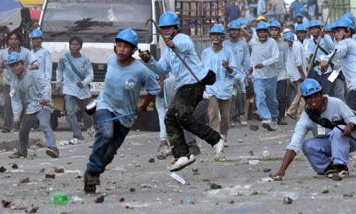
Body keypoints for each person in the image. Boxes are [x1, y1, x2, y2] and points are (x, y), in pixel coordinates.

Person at [140, 12, 224, 172]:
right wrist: (149, 60)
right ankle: (182, 155)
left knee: (182, 117)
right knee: (171, 118)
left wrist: (174, 44)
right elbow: (162, 68)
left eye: (168, 28)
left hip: (194, 83)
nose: (165, 31)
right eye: (163, 28)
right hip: (183, 87)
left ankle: (215, 139)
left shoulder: (181, 39)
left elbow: (186, 45)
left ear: (176, 27)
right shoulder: (168, 50)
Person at [83, 29, 159, 194]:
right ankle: (93, 170)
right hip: (105, 105)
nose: (121, 49)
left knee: (110, 152)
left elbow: (154, 89)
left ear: (133, 50)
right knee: (106, 133)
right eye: (119, 45)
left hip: (126, 115)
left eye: (126, 47)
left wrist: (142, 107)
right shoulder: (111, 60)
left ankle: (91, 174)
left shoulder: (141, 70)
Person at [274, 79, 356, 180]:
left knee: (339, 130)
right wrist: (282, 170)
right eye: (309, 98)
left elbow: (352, 118)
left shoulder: (336, 103)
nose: (313, 101)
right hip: (328, 142)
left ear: (321, 95)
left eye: (315, 96)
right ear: (304, 99)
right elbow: (294, 145)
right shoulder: (305, 118)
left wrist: (349, 127)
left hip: (349, 139)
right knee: (308, 146)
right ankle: (328, 168)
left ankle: (341, 167)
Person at [6, 51, 59, 159]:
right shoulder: (14, 82)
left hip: (43, 104)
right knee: (23, 129)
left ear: (22, 63)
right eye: (12, 66)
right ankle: (22, 151)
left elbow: (46, 86)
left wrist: (45, 98)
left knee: (44, 124)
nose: (15, 68)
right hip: (30, 108)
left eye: (17, 64)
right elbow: (16, 100)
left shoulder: (34, 74)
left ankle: (53, 148)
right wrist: (16, 117)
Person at [200, 24, 241, 144]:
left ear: (223, 38)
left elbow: (234, 72)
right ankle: (217, 139)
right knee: (213, 115)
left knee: (225, 117)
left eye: (219, 35)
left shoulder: (228, 53)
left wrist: (227, 67)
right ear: (210, 37)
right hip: (211, 89)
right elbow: (202, 70)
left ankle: (224, 135)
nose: (216, 37)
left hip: (225, 89)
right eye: (213, 35)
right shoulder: (205, 53)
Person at [56, 36, 93, 144]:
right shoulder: (64, 58)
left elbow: (90, 74)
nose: (74, 46)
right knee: (70, 113)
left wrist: (84, 83)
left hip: (83, 91)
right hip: (69, 90)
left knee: (87, 112)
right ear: (69, 46)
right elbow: (59, 70)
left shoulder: (85, 60)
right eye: (72, 44)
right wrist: (58, 84)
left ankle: (90, 127)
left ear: (80, 47)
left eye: (77, 44)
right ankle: (77, 135)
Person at [0, 31, 32, 133]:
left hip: (22, 83)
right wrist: (0, 69)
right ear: (8, 41)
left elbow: (33, 65)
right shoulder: (3, 53)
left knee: (24, 104)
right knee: (9, 104)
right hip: (8, 83)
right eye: (11, 39)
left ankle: (20, 125)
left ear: (19, 41)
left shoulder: (26, 52)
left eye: (15, 39)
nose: (13, 41)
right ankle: (7, 126)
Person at [249, 21, 280, 131]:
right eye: (260, 32)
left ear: (267, 33)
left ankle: (274, 117)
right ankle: (266, 118)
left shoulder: (272, 43)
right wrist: (250, 68)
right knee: (260, 97)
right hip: (258, 76)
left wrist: (264, 63)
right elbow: (252, 57)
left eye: (264, 32)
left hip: (271, 76)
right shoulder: (253, 43)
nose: (262, 34)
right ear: (257, 33)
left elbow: (276, 57)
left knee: (272, 100)